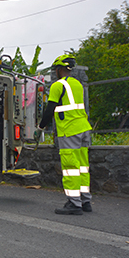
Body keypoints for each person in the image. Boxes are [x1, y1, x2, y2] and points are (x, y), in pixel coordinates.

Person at [34, 54, 92, 215]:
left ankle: (74, 204)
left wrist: (40, 128)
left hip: (69, 130)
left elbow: (49, 109)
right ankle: (85, 201)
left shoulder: (57, 85)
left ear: (59, 70)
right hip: (84, 128)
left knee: (70, 168)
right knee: (82, 167)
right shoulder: (77, 84)